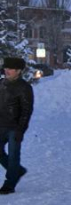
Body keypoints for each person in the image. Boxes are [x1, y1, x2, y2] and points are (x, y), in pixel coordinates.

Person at [0, 57, 34, 195]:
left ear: (18, 71)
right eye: (6, 68)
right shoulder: (1, 83)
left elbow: (26, 110)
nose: (7, 71)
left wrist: (21, 129)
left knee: (14, 155)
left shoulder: (24, 87)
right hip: (0, 125)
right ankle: (17, 171)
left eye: (10, 69)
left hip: (14, 127)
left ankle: (10, 184)